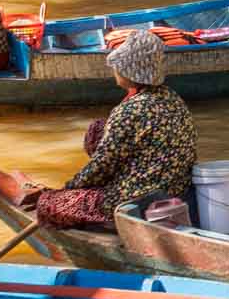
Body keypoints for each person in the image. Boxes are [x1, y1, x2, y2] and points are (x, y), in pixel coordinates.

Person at [34, 30, 198, 231]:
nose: (114, 71)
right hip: (176, 188)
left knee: (48, 205)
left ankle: (109, 219)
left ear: (128, 71)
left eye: (117, 67)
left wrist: (68, 188)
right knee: (98, 129)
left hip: (139, 198)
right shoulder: (172, 97)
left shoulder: (129, 111)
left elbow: (102, 165)